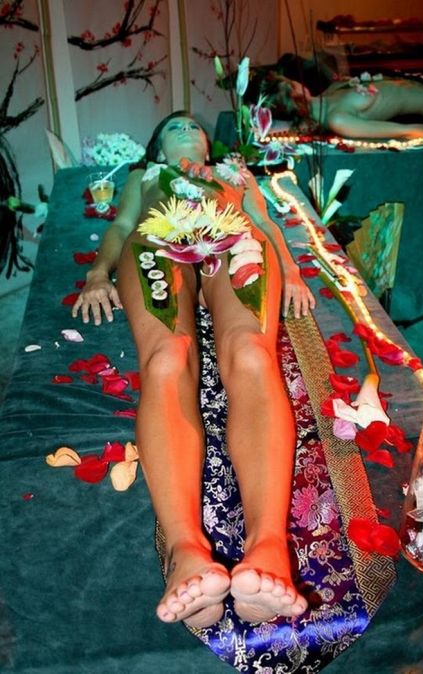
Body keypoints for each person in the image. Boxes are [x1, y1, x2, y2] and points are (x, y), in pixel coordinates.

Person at [72, 111, 315, 629]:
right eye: (172, 128)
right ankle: (186, 551)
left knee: (251, 352)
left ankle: (269, 547)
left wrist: (291, 271)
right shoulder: (147, 176)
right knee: (166, 356)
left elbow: (264, 224)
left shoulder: (234, 174)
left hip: (234, 240)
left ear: (208, 143)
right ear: (157, 148)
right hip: (158, 239)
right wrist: (97, 273)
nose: (185, 130)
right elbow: (122, 226)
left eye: (193, 127)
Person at [273, 74, 423, 140]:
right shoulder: (338, 120)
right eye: (290, 83)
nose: (294, 80)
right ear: (294, 97)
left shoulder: (329, 92)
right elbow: (405, 130)